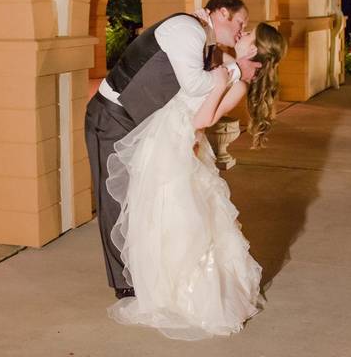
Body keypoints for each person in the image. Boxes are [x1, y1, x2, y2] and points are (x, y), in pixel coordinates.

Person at [104, 22, 287, 339]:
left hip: (177, 146)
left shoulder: (239, 84)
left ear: (255, 50)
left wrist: (216, 86)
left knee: (177, 220)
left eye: (248, 34)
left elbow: (202, 121)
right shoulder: (228, 65)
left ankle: (185, 297)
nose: (241, 33)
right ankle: (162, 290)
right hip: (168, 139)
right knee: (158, 218)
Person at [84, 0, 261, 300]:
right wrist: (234, 72)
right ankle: (124, 283)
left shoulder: (201, 38)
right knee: (114, 196)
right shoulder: (186, 29)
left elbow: (206, 77)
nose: (240, 30)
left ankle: (143, 269)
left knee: (141, 199)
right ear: (221, 13)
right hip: (112, 117)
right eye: (240, 23)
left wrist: (234, 65)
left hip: (142, 125)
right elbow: (194, 84)